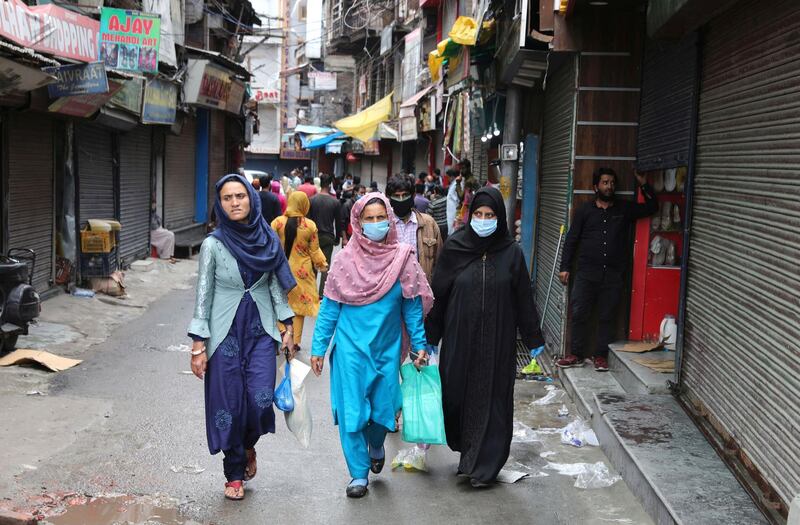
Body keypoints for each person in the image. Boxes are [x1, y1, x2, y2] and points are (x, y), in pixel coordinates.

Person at [310, 193, 433, 498]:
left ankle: (376, 443)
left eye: (381, 217)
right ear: (358, 223)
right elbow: (329, 308)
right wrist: (318, 348)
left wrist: (420, 346)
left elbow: (412, 308)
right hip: (350, 351)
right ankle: (358, 474)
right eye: (369, 218)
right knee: (353, 411)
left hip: (387, 349)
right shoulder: (343, 261)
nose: (376, 224)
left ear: (389, 219)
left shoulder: (403, 258)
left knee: (384, 410)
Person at [425, 187, 544, 488]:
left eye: (489, 215)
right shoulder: (455, 247)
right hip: (459, 339)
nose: (483, 219)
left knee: (493, 400)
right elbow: (439, 293)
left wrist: (533, 338)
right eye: (478, 214)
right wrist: (430, 335)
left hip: (498, 341)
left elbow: (523, 299)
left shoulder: (511, 253)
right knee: (456, 397)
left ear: (499, 218)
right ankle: (468, 455)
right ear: (469, 216)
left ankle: (484, 467)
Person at [188, 173, 296, 501]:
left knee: (261, 400)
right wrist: (197, 344)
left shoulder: (267, 239)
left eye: (240, 196)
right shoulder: (212, 244)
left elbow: (275, 284)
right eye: (227, 198)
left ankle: (248, 445)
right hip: (224, 333)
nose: (235, 203)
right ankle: (234, 471)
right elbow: (203, 294)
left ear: (251, 198)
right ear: (220, 205)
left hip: (260, 329)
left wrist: (287, 325)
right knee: (228, 406)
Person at [556, 167, 658, 372]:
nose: (609, 186)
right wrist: (565, 267)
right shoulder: (585, 211)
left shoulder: (623, 209)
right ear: (596, 186)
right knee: (579, 312)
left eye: (611, 183)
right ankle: (576, 354)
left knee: (607, 315)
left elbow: (651, 207)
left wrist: (643, 184)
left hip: (612, 274)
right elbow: (572, 240)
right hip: (586, 273)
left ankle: (600, 356)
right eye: (604, 182)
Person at [271, 192, 328, 353]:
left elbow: (268, 245)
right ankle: (295, 342)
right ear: (304, 204)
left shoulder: (277, 223)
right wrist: (322, 264)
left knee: (278, 304)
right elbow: (314, 250)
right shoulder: (309, 225)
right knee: (298, 310)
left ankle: (282, 333)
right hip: (301, 274)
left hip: (279, 272)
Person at [386, 175, 441, 283]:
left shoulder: (428, 224)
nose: (401, 200)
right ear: (389, 198)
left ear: (413, 195)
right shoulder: (384, 225)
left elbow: (439, 261)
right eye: (396, 196)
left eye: (405, 195)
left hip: (421, 291)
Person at [309, 174, 343, 295]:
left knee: (313, 265)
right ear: (330, 185)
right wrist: (338, 238)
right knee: (325, 265)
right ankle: (321, 293)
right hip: (328, 237)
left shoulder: (312, 200)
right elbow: (338, 222)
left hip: (313, 237)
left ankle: (311, 291)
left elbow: (307, 220)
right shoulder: (335, 202)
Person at [445, 168, 463, 235]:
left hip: (454, 209)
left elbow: (459, 198)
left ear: (452, 176)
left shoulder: (457, 183)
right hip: (451, 209)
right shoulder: (453, 183)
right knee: (450, 226)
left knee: (453, 227)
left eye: (448, 177)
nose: (448, 179)